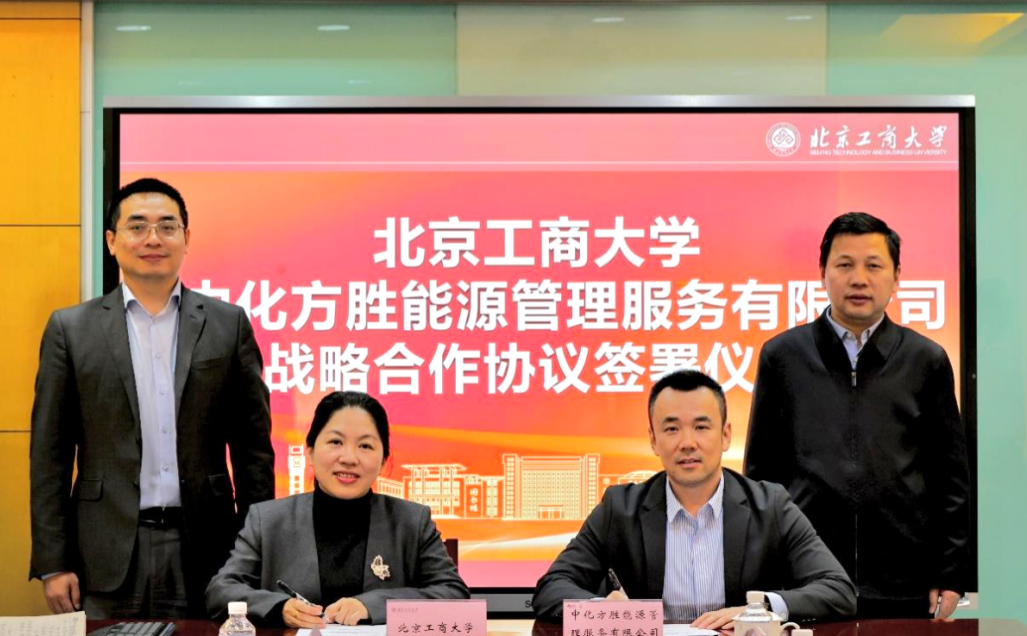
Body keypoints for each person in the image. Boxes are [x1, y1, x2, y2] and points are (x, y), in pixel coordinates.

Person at [29, 178, 275, 618]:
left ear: (186, 238)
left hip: (208, 551)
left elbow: (253, 451)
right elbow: (50, 455)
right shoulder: (72, 330)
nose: (153, 239)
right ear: (112, 241)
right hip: (101, 553)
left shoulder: (228, 324)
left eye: (167, 226)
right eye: (137, 226)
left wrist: (257, 553)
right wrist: (53, 561)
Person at [744, 212, 970, 619]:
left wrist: (951, 572)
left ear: (896, 277)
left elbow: (950, 479)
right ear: (823, 272)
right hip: (806, 579)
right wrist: (764, 569)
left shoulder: (926, 360)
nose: (859, 279)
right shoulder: (782, 357)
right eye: (845, 264)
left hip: (904, 580)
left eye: (874, 266)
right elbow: (761, 475)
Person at [532, 370, 855, 630]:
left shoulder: (770, 505)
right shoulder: (620, 508)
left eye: (701, 427)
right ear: (653, 440)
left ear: (725, 435)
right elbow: (552, 588)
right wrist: (602, 611)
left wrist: (760, 609)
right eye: (672, 429)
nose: (687, 443)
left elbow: (838, 590)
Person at [205, 391, 470, 626]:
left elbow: (455, 595)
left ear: (383, 461)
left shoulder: (412, 521)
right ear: (310, 451)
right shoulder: (268, 520)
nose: (349, 458)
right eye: (335, 442)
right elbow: (220, 592)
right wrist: (279, 608)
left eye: (365, 446)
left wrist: (373, 606)